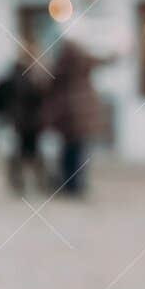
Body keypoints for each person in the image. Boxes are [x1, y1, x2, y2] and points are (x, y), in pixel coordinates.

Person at [45, 36, 110, 199]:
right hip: (79, 119)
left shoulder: (62, 67)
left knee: (69, 152)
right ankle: (76, 184)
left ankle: (70, 184)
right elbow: (104, 60)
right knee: (78, 151)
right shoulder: (83, 63)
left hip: (68, 119)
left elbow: (48, 84)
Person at [0, 36, 52, 198]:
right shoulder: (19, 73)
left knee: (33, 152)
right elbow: (1, 93)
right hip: (21, 119)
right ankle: (20, 184)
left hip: (32, 120)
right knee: (20, 152)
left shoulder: (34, 73)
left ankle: (38, 183)